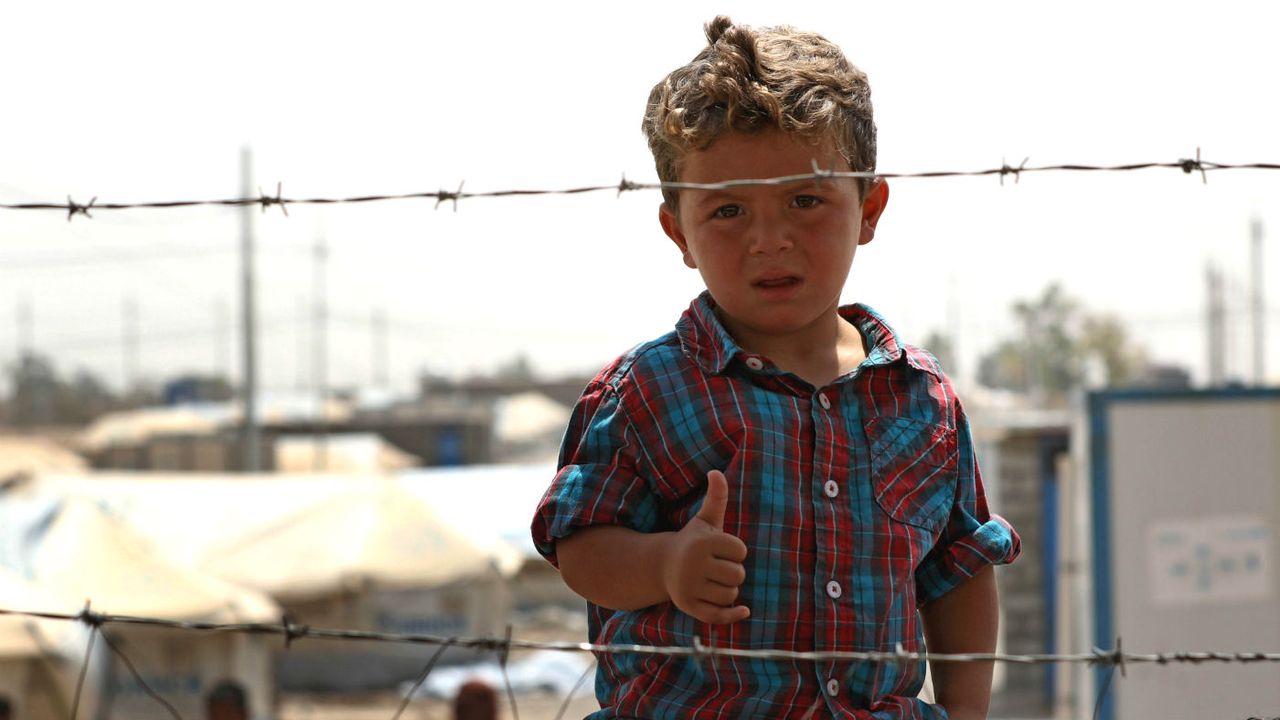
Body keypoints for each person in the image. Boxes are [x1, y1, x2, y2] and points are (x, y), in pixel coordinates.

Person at [531, 15, 1020, 719]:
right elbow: (579, 546)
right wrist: (665, 564)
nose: (769, 241)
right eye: (728, 210)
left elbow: (960, 570)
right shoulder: (649, 391)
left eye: (805, 200)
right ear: (680, 232)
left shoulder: (924, 401)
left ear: (868, 209)